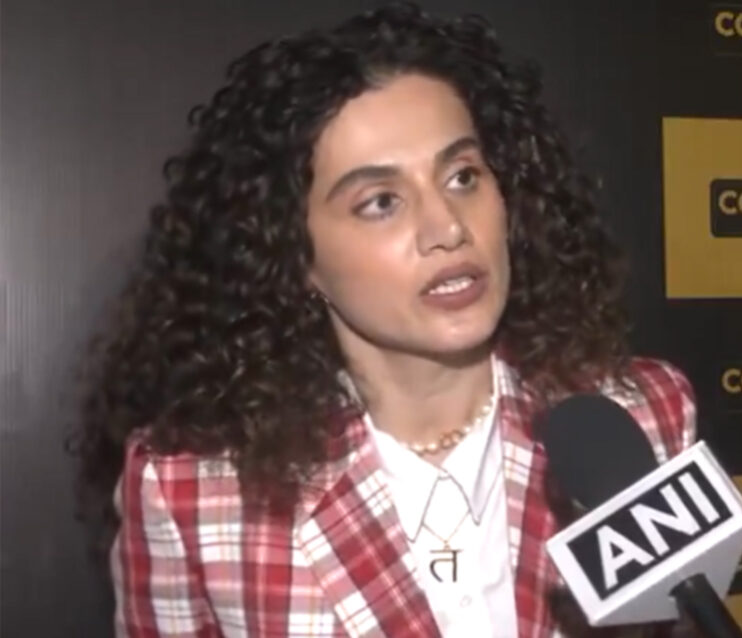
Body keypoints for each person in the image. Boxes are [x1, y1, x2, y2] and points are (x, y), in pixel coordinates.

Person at [71, 3, 697, 637]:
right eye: (380, 202)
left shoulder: (639, 416)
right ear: (293, 257)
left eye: (463, 176)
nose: (447, 227)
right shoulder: (191, 490)